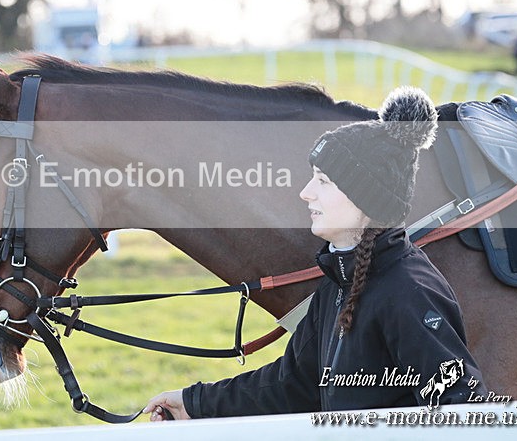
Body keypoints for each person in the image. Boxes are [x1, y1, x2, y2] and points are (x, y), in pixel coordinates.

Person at [144, 87, 486, 420]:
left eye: (323, 181)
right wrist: (193, 402)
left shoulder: (409, 292)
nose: (306, 193)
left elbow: (462, 411)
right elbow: (290, 385)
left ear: (364, 196)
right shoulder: (336, 285)